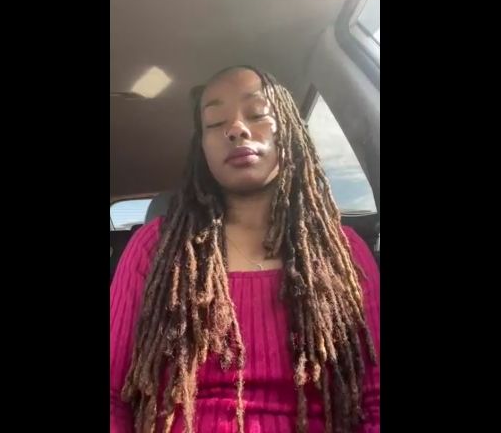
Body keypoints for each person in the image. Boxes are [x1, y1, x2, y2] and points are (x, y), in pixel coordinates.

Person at [110, 66, 380, 433]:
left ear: (291, 132)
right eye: (215, 122)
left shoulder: (344, 253)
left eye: (257, 114)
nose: (236, 129)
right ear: (202, 148)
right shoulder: (154, 249)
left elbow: (374, 401)